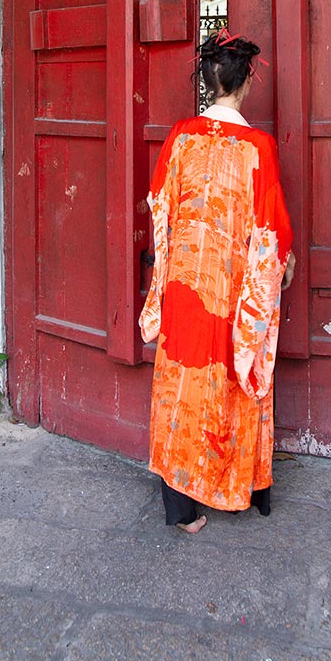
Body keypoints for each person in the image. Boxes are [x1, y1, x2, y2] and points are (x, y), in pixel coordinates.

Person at [140, 31, 295, 533]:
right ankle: (236, 486)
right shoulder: (258, 147)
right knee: (233, 380)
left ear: (208, 79)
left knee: (182, 383)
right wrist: (280, 268)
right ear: (247, 80)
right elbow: (271, 232)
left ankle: (180, 508)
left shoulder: (181, 136)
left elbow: (160, 205)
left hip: (184, 287)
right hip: (231, 293)